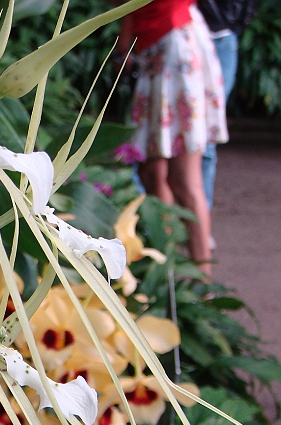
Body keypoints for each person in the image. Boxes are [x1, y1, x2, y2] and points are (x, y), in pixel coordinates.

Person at [118, 0, 228, 277]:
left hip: (173, 41)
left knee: (184, 180)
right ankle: (168, 273)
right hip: (157, 45)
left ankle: (204, 284)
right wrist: (124, 44)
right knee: (152, 171)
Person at [198, 0, 257, 211]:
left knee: (207, 136)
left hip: (221, 36)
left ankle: (200, 214)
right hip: (187, 35)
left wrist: (237, 20)